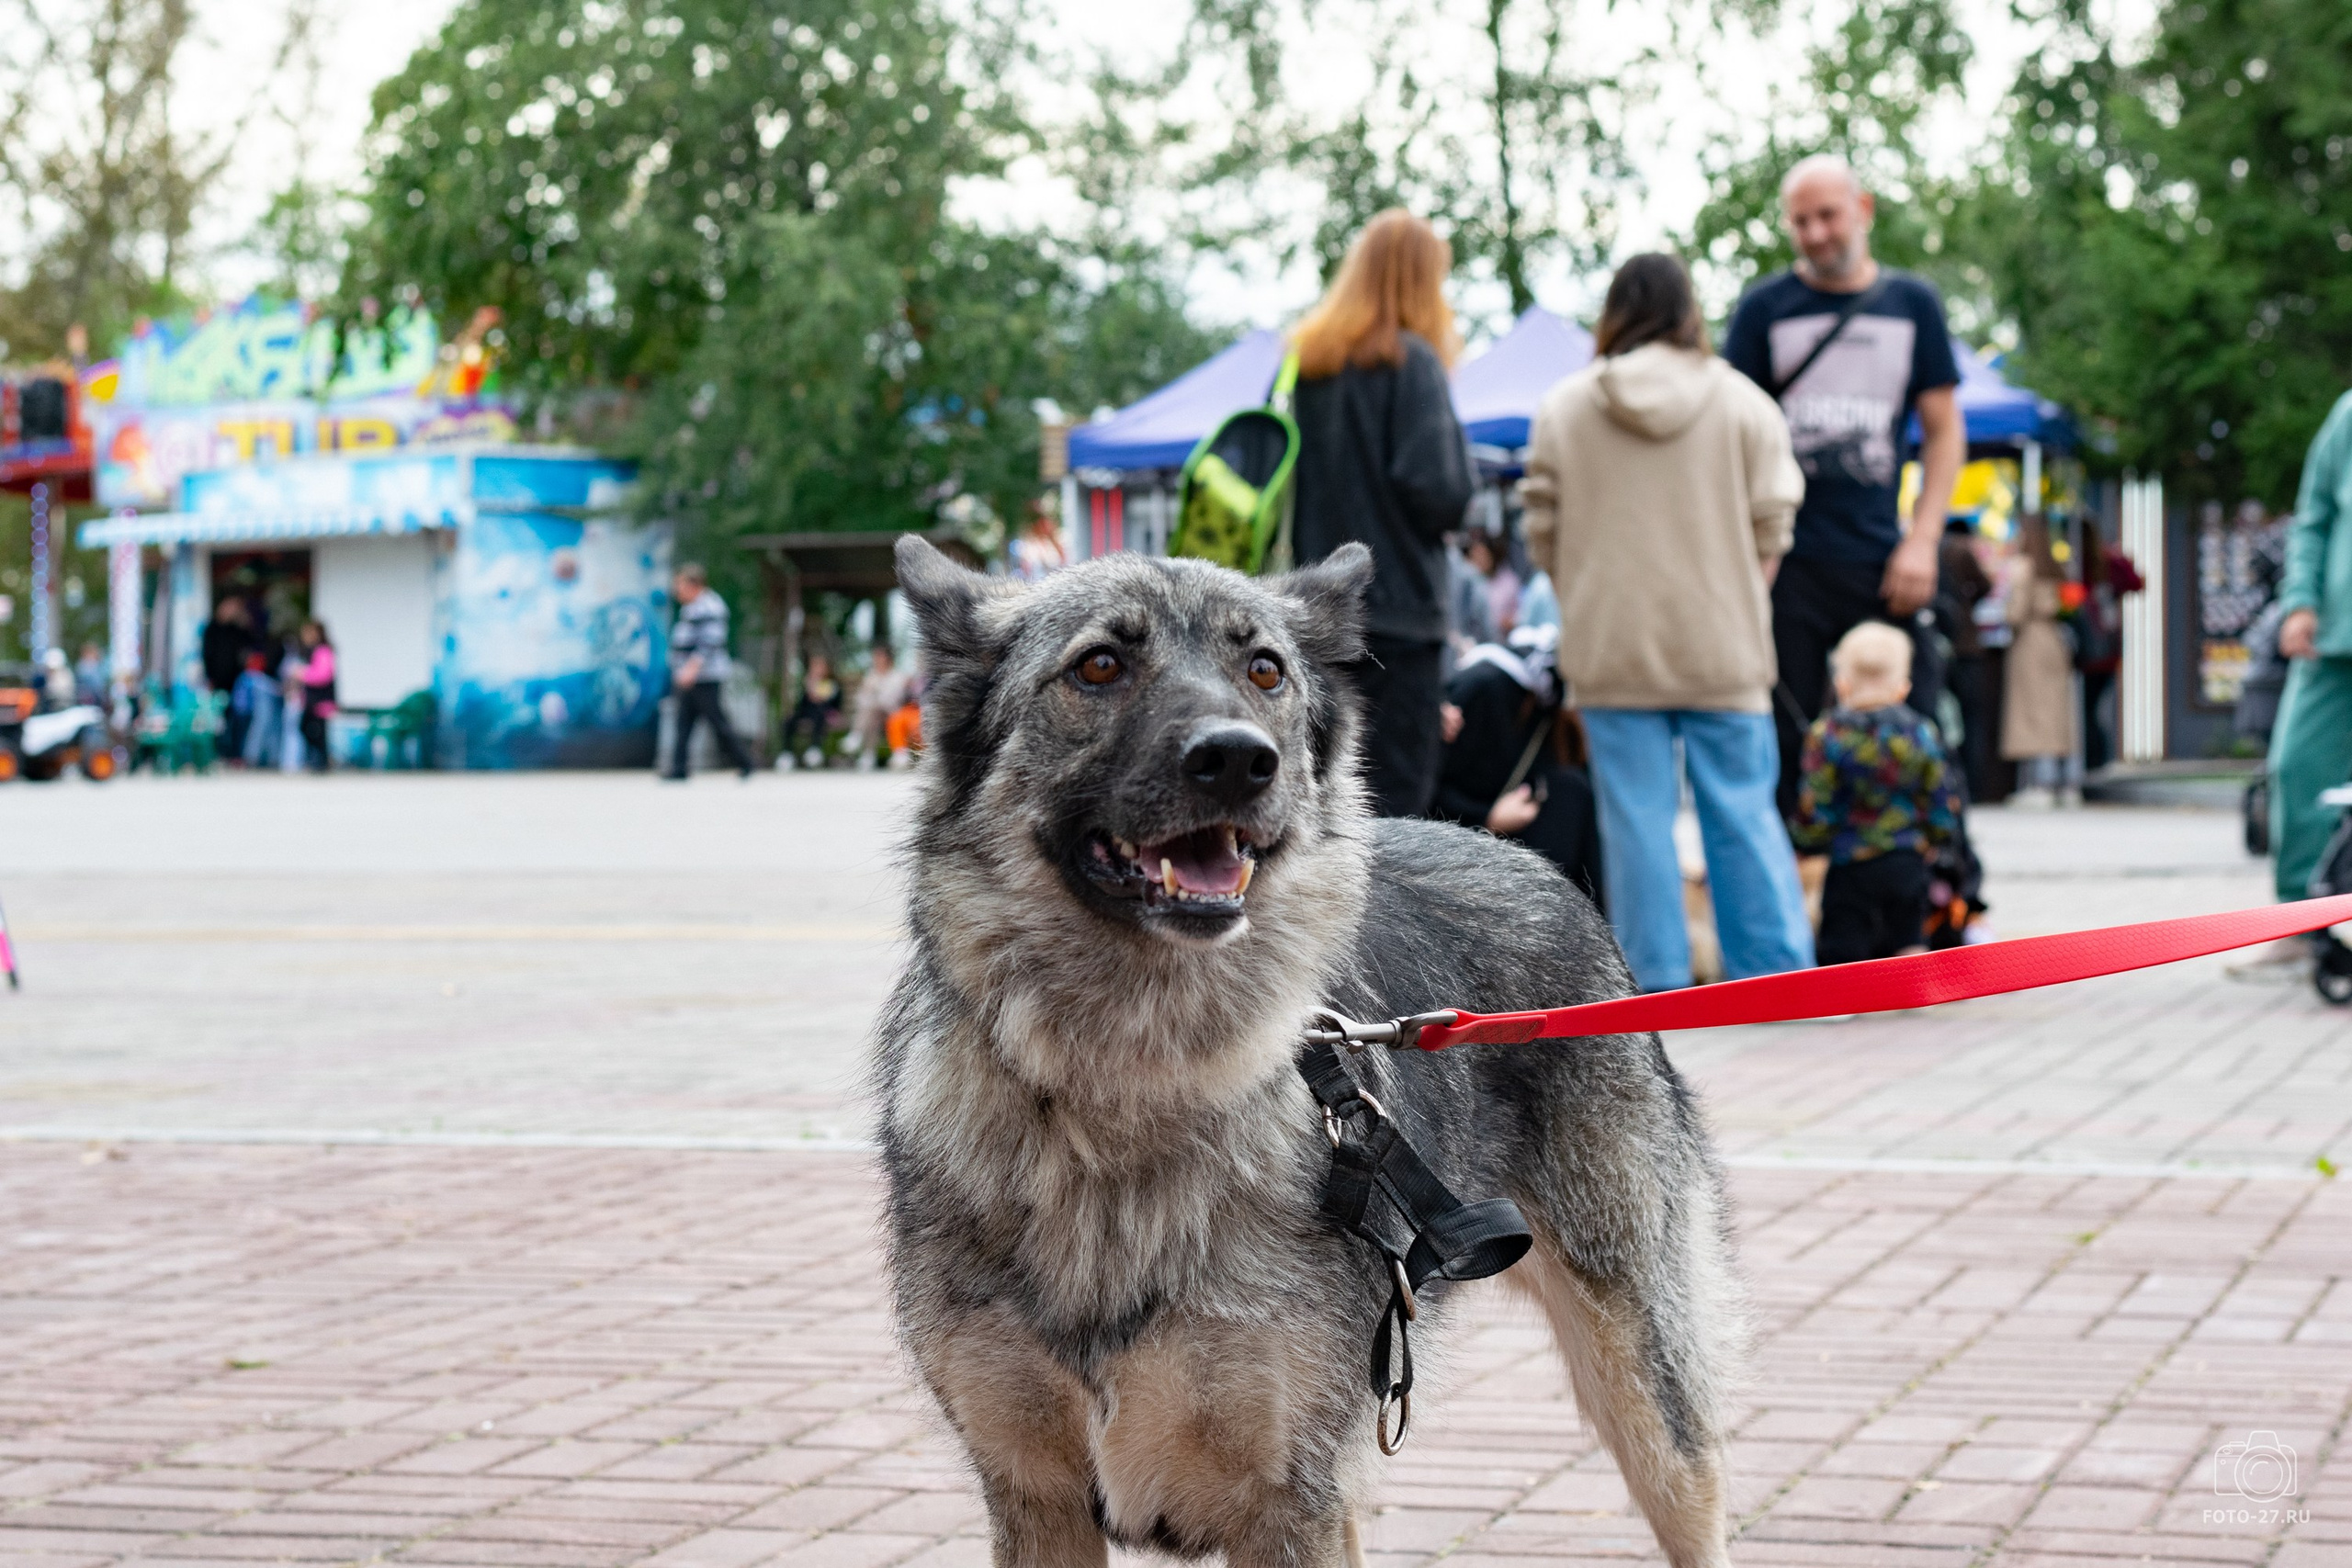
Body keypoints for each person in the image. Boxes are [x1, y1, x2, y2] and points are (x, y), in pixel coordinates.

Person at [1520, 251, 1814, 992]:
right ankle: (1776, 979)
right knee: (1744, 811)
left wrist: (1588, 594)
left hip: (1614, 643)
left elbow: (1542, 532)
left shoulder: (1566, 405)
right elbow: (1774, 526)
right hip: (1724, 642)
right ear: (1690, 311)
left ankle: (1654, 987)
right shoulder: (1744, 401)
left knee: (1636, 823)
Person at [1723, 154, 1965, 818]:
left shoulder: (1912, 304)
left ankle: (1930, 889)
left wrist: (1922, 540)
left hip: (1882, 560)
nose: (1815, 233)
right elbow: (1728, 432)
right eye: (1799, 221)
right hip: (1787, 565)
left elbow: (1945, 432)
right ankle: (1798, 905)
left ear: (1864, 210)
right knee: (1779, 746)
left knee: (1913, 735)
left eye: (1827, 214)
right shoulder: (1763, 310)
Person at [1288, 208, 1476, 817]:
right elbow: (1440, 490)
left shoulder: (1312, 367)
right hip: (1402, 615)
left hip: (1322, 612)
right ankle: (1387, 919)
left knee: (1327, 804)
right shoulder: (1412, 360)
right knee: (1396, 810)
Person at [1791, 622, 1965, 964]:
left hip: (1848, 860)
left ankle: (1844, 1002)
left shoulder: (1828, 734)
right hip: (1908, 856)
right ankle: (1915, 992)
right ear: (1903, 688)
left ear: (1842, 685)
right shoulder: (1921, 733)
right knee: (1909, 930)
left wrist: (1807, 843)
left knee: (1844, 932)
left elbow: (1816, 802)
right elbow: (1941, 796)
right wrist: (1937, 839)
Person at [2262, 388, 2352, 958]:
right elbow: (2313, 518)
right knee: (2296, 768)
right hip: (2336, 638)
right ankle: (2301, 923)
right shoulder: (2348, 414)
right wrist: (2300, 600)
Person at [1430, 626, 1604, 904]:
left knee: (1574, 793)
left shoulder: (1549, 707)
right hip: (1453, 848)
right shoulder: (1484, 687)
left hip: (1509, 852)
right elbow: (1423, 784)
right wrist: (1486, 818)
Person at [2000, 518, 2076, 808]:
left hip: (2030, 642)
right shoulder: (2056, 567)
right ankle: (2065, 783)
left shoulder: (2023, 565)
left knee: (2031, 712)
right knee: (2057, 712)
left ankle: (2039, 785)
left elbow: (2015, 612)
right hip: (2055, 642)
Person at [664, 562, 754, 781]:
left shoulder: (710, 607)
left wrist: (690, 669)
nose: (677, 591)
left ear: (694, 584)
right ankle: (678, 769)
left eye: (680, 585)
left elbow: (709, 643)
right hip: (691, 675)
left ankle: (745, 762)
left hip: (704, 676)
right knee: (683, 722)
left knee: (717, 721)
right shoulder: (693, 607)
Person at [851, 645, 914, 768]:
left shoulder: (898, 676)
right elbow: (862, 698)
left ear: (888, 659)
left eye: (880, 657)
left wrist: (875, 694)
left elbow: (893, 698)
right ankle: (867, 754)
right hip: (875, 713)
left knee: (872, 711)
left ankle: (857, 736)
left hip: (892, 712)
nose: (877, 660)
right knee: (872, 715)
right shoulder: (871, 675)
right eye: (875, 657)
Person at [786, 653, 844, 768]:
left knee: (819, 715)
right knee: (788, 720)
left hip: (824, 714)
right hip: (807, 713)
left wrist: (815, 692)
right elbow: (802, 704)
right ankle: (787, 753)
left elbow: (829, 703)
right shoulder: (807, 683)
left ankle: (815, 749)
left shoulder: (831, 684)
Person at [297, 621, 336, 773]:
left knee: (318, 734)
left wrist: (303, 674)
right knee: (308, 729)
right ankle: (318, 761)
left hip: (321, 700)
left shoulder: (323, 651)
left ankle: (322, 763)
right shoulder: (309, 651)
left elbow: (323, 675)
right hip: (311, 700)